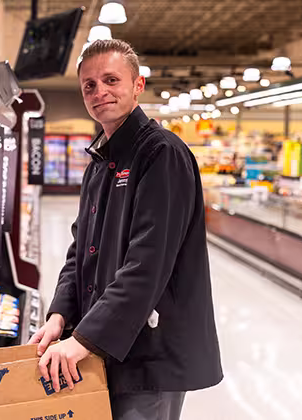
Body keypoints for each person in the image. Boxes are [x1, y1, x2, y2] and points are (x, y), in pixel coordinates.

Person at [28, 39, 223, 420]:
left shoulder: (161, 154)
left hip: (151, 355)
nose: (100, 92)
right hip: (108, 346)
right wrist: (60, 316)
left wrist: (84, 339)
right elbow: (80, 251)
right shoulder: (100, 161)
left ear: (137, 85)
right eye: (89, 85)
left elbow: (147, 266)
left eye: (111, 80)